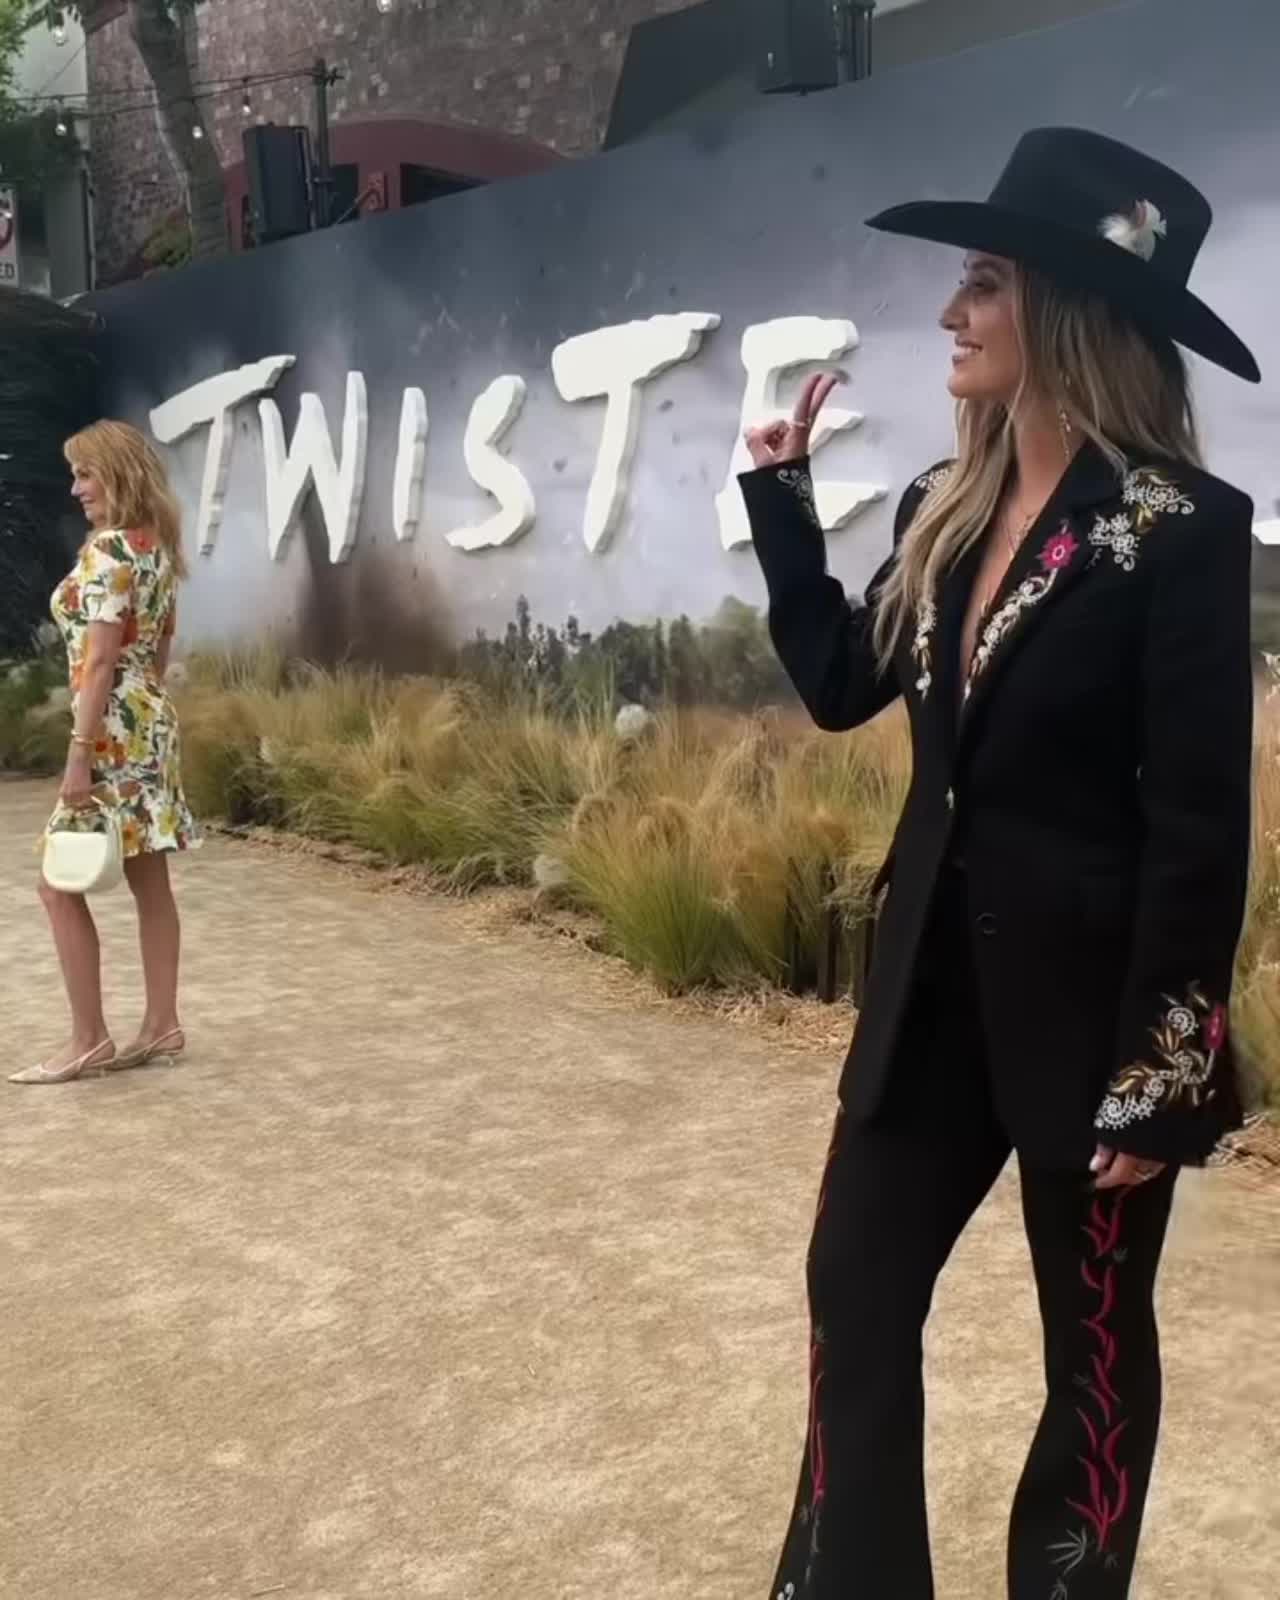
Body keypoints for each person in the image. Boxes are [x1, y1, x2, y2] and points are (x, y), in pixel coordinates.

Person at [739, 128, 1258, 1599]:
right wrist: (781, 513)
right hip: (926, 1010)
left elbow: (1200, 826)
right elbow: (846, 681)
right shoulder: (940, 511)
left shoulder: (1181, 532)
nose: (952, 314)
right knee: (852, 1292)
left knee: (1089, 1364)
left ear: (1067, 312)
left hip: (1092, 1031)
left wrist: (1163, 1075)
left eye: (983, 283)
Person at [12, 420, 201, 1086]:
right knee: (151, 881)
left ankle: (88, 1039)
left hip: (110, 732)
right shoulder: (157, 550)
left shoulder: (108, 553)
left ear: (116, 473)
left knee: (56, 885)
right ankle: (162, 1022)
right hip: (150, 720)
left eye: (85, 473)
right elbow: (160, 651)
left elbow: (96, 664)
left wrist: (77, 754)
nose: (75, 488)